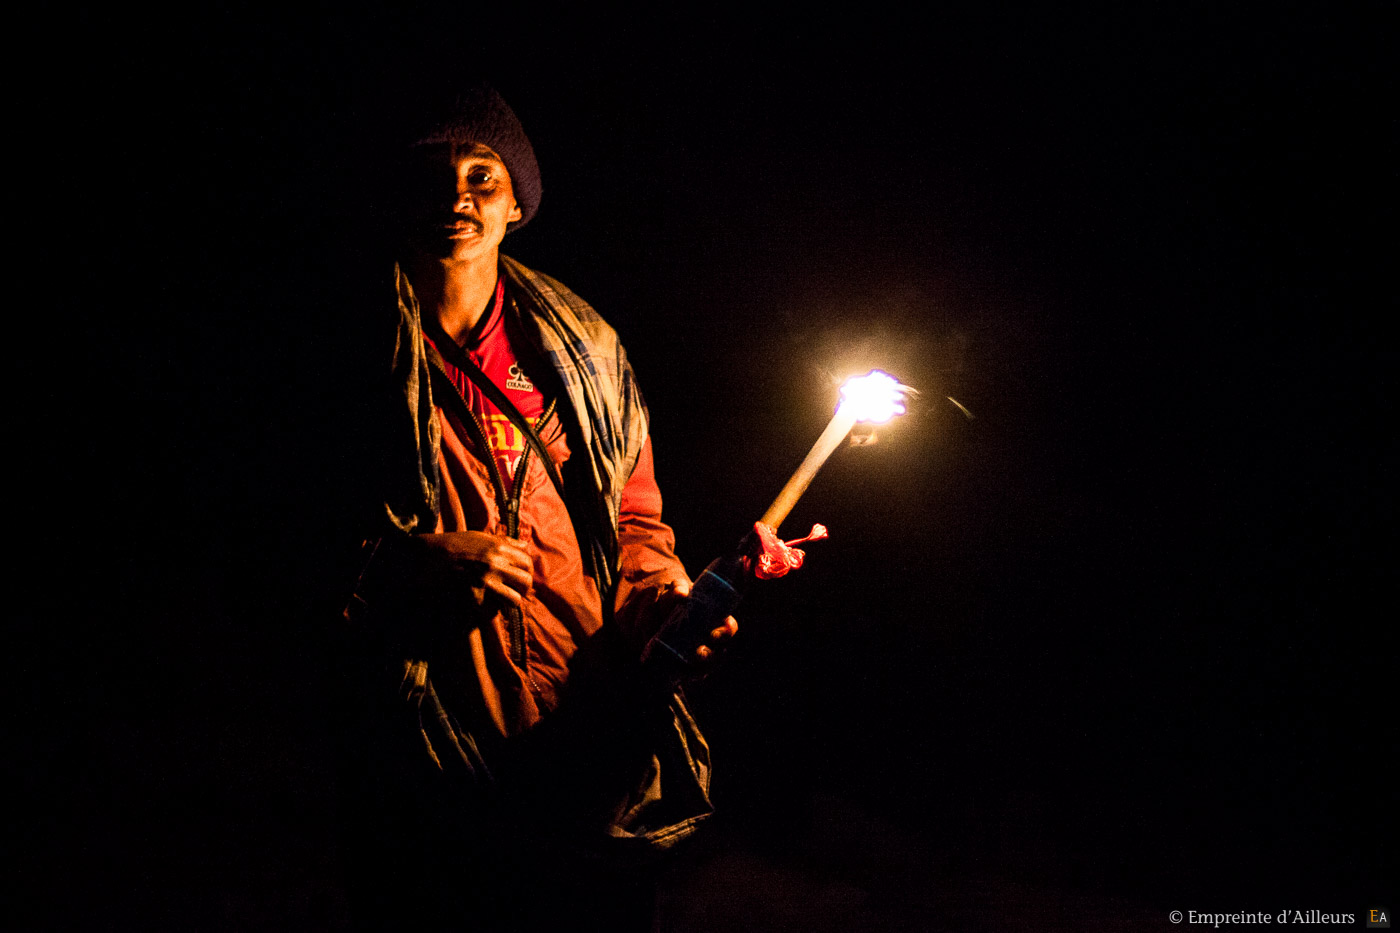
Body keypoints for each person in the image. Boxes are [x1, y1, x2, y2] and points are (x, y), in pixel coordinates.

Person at [331, 85, 734, 931]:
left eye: (483, 176)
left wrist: (665, 607)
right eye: (435, 175)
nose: (459, 198)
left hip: (585, 737)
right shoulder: (341, 352)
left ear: (517, 201)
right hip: (431, 745)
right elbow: (265, 538)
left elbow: (635, 520)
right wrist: (402, 564)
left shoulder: (582, 347)